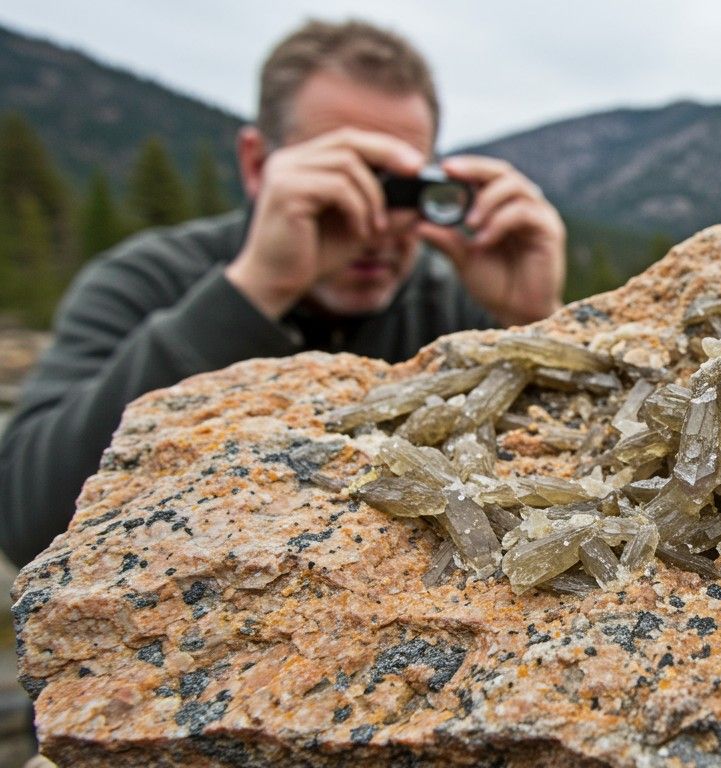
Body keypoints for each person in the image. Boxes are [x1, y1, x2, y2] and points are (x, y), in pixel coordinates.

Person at [0, 19, 566, 566]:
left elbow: (565, 473)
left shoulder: (446, 299)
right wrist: (254, 290)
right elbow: (27, 523)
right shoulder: (146, 280)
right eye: (345, 176)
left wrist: (536, 321)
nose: (373, 224)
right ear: (257, 164)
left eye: (402, 188)